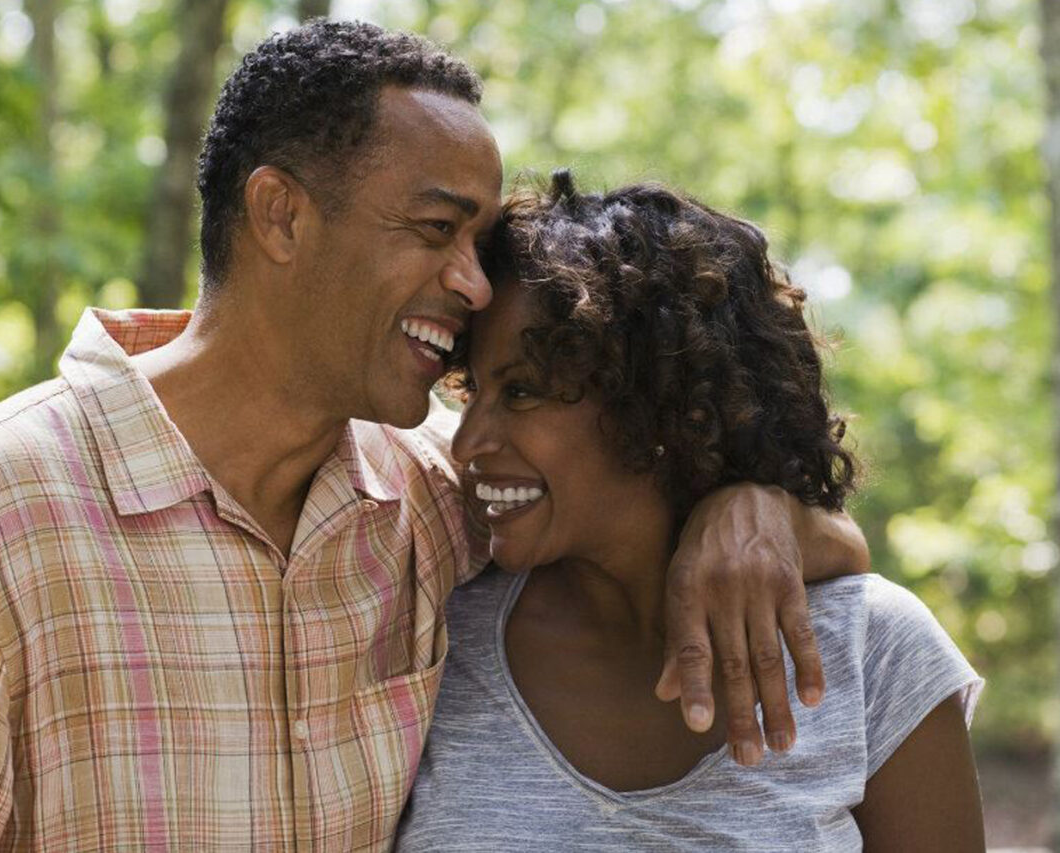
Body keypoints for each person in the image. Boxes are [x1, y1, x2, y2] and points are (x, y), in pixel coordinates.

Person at [0, 22, 868, 852]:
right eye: (436, 231)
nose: (473, 284)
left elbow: (625, 502)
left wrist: (757, 509)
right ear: (281, 215)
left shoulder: (428, 503)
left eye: (478, 243)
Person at [395, 172, 984, 851]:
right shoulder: (439, 637)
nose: (467, 444)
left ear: (660, 408)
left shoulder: (874, 650)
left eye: (522, 392)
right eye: (474, 393)